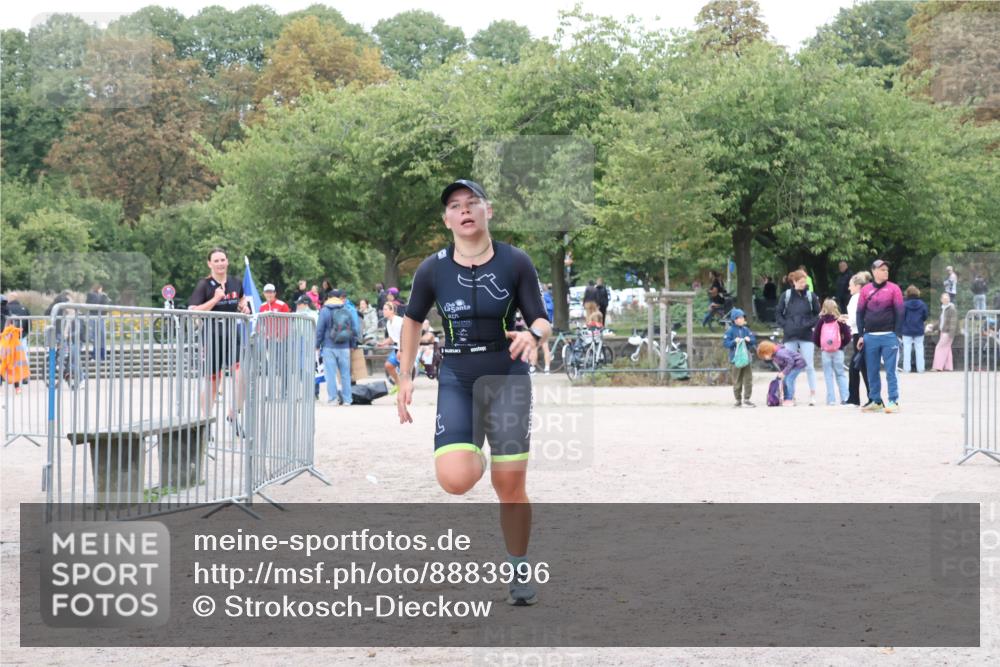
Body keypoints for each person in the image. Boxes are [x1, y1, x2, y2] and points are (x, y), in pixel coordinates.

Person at [397, 179, 550, 607]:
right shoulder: (432, 269)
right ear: (446, 219)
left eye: (472, 203)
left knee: (509, 484)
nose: (464, 211)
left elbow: (541, 319)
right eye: (455, 206)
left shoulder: (515, 262)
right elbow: (411, 321)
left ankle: (519, 567)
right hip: (459, 377)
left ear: (488, 211)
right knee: (457, 478)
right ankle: (475, 445)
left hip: (508, 376)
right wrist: (405, 376)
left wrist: (533, 336)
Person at [188, 248, 250, 423]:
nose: (220, 263)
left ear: (227, 261)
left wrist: (243, 307)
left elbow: (241, 300)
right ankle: (205, 419)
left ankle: (233, 414)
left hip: (232, 333)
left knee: (241, 376)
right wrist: (215, 299)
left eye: (223, 260)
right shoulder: (204, 285)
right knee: (213, 382)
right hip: (211, 335)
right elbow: (193, 311)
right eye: (216, 261)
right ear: (209, 264)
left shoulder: (235, 282)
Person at [856, 259, 904, 413]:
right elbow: (860, 313)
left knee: (891, 370)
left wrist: (896, 334)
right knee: (872, 370)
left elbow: (900, 312)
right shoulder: (865, 290)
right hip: (870, 336)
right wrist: (861, 335)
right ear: (874, 271)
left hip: (889, 335)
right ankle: (876, 400)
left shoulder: (894, 289)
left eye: (886, 269)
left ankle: (893, 401)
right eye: (882, 269)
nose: (886, 272)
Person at [776, 269, 820, 406]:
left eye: (804, 282)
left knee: (809, 366)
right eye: (800, 282)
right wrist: (786, 325)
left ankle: (812, 395)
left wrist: (808, 324)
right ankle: (789, 395)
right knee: (788, 365)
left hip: (807, 335)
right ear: (794, 282)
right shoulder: (786, 295)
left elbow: (817, 315)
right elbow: (778, 313)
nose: (803, 284)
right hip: (790, 335)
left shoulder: (811, 296)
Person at [316, 288, 360, 405]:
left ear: (329, 298)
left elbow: (320, 329)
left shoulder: (324, 310)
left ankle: (333, 399)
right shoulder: (346, 309)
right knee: (345, 374)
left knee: (330, 374)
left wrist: (317, 345)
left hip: (329, 346)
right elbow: (354, 328)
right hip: (344, 346)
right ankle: (347, 399)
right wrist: (352, 344)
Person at [812, 299, 852, 406]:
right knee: (840, 374)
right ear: (835, 308)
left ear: (823, 308)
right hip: (838, 351)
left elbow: (815, 336)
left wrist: (822, 346)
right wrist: (841, 345)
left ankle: (831, 400)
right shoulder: (839, 320)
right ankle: (845, 398)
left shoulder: (821, 321)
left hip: (825, 352)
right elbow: (848, 336)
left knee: (828, 375)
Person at [845, 272, 871, 406]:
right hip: (863, 333)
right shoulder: (866, 296)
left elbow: (856, 319)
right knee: (857, 366)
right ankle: (855, 397)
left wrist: (846, 321)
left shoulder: (856, 298)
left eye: (851, 286)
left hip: (858, 334)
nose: (849, 288)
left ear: (857, 286)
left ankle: (868, 397)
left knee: (862, 366)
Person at [722, 308, 756, 407]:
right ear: (735, 320)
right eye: (740, 318)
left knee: (748, 379)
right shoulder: (730, 331)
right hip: (735, 359)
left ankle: (747, 399)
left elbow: (753, 340)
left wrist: (749, 339)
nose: (742, 320)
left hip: (746, 358)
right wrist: (734, 341)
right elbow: (726, 343)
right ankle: (738, 400)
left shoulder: (746, 329)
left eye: (743, 318)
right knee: (737, 380)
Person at [756, 340, 806, 407]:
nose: (765, 358)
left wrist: (784, 372)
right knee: (785, 380)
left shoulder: (780, 353)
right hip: (791, 365)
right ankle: (786, 398)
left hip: (797, 364)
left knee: (789, 380)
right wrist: (781, 372)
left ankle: (789, 399)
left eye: (765, 355)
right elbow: (782, 365)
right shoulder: (774, 355)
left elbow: (791, 361)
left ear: (768, 350)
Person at [900, 285, 929, 373]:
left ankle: (906, 369)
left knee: (907, 350)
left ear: (907, 293)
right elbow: (925, 316)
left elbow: (901, 316)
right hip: (919, 329)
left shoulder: (904, 304)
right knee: (920, 349)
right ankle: (921, 369)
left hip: (907, 329)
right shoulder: (922, 304)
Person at [377, 301, 404, 391]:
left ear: (392, 311)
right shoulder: (389, 323)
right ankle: (398, 384)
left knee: (404, 371)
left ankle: (403, 392)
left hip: (405, 348)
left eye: (385, 309)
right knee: (388, 365)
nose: (383, 311)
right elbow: (392, 338)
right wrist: (383, 343)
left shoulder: (399, 321)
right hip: (397, 347)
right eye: (383, 309)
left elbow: (403, 336)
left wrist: (401, 350)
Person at [932, 292, 958, 371]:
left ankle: (937, 367)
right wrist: (932, 327)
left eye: (947, 298)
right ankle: (948, 367)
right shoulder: (944, 308)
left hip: (947, 333)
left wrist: (951, 334)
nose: (946, 300)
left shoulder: (951, 308)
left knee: (939, 348)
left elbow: (953, 322)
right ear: (941, 300)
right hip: (943, 332)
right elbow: (941, 321)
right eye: (944, 298)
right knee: (947, 349)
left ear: (949, 299)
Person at [85, 283, 111, 361]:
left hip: (93, 317)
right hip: (99, 317)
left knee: (95, 337)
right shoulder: (102, 296)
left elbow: (88, 306)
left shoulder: (90, 295)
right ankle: (101, 356)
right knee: (100, 337)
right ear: (99, 289)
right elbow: (105, 307)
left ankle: (96, 355)